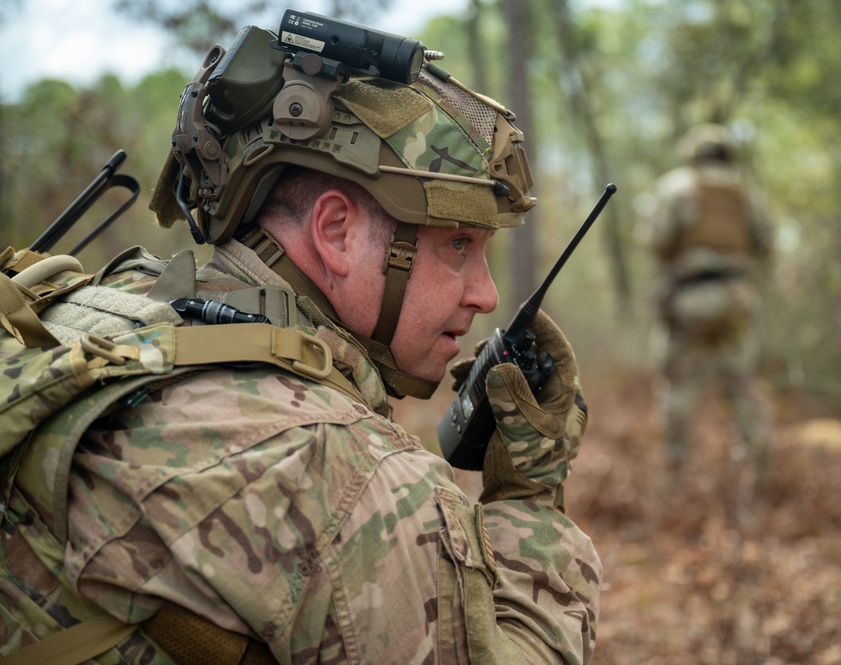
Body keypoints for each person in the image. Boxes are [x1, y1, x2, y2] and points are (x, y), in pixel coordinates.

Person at [0, 13, 600, 665]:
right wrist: (530, 496)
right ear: (336, 232)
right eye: (457, 244)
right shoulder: (344, 476)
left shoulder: (90, 309)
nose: (484, 294)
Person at [643, 123, 774, 478]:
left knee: (679, 384)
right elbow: (765, 241)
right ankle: (761, 472)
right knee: (744, 385)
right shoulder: (747, 191)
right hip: (739, 296)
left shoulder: (676, 185)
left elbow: (657, 240)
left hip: (693, 298)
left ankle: (676, 474)